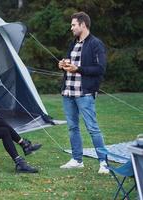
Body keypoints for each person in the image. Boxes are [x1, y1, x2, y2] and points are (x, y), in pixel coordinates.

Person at [58, 11, 109, 174]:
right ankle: (77, 160)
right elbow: (69, 62)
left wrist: (78, 69)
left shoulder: (96, 44)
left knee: (92, 128)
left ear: (83, 25)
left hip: (85, 94)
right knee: (73, 128)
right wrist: (63, 63)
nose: (71, 27)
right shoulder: (73, 43)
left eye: (73, 25)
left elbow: (100, 69)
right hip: (68, 93)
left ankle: (103, 163)